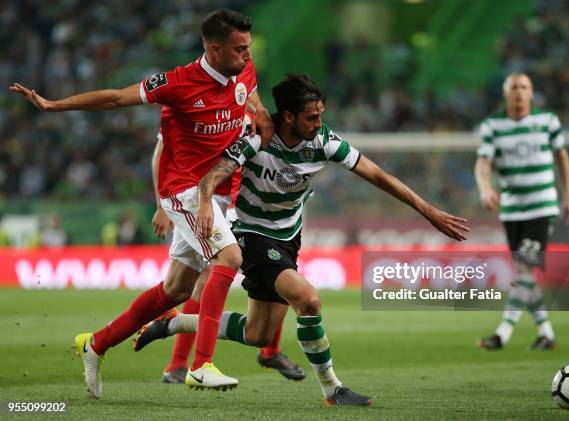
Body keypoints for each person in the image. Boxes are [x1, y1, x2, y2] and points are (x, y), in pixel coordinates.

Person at [134, 74, 469, 406]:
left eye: (321, 115)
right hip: (250, 234)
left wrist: (427, 210)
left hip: (288, 238)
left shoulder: (324, 141)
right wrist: (203, 203)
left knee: (257, 334)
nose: (319, 123)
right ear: (289, 117)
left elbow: (378, 175)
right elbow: (212, 175)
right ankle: (332, 390)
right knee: (309, 300)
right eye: (312, 117)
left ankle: (170, 324)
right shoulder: (257, 140)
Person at [11, 9, 275, 398]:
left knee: (176, 290)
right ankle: (200, 365)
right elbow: (116, 98)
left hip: (217, 193)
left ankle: (96, 343)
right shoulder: (178, 82)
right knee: (229, 259)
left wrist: (262, 111)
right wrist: (54, 106)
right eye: (239, 50)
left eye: (248, 48)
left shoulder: (242, 72)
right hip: (183, 189)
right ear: (214, 49)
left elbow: (249, 92)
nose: (247, 56)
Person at [147, 113, 305, 384]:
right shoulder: (199, 107)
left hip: (244, 205)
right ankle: (178, 363)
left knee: (280, 272)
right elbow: (161, 152)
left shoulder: (254, 116)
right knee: (202, 280)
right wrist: (161, 205)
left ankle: (269, 350)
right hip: (209, 201)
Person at [475, 72, 569, 351]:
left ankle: (502, 334)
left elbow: (562, 158)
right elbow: (483, 163)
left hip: (542, 207)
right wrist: (485, 188)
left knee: (523, 269)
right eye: (514, 88)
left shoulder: (547, 121)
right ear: (505, 94)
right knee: (526, 276)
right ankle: (546, 333)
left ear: (531, 93)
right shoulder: (492, 126)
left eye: (524, 87)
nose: (519, 92)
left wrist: (568, 197)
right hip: (511, 210)